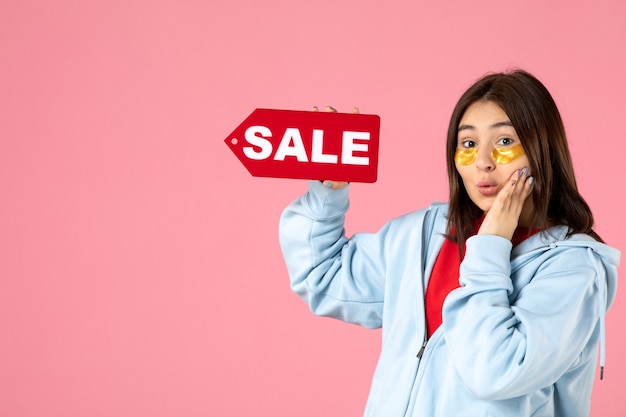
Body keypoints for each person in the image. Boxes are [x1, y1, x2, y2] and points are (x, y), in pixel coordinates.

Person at [278, 69, 620, 416]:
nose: (483, 163)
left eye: (504, 142)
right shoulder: (423, 235)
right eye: (468, 144)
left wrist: (491, 245)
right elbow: (322, 277)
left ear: (541, 149)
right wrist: (327, 192)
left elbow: (496, 372)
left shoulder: (574, 270)